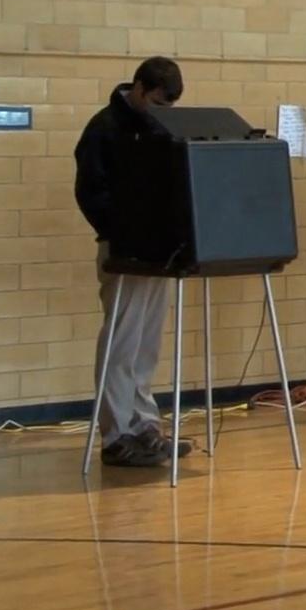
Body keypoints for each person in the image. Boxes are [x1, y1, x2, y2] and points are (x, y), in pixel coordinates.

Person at [73, 56, 196, 468]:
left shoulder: (160, 126)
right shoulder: (104, 127)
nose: (164, 113)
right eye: (158, 103)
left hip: (160, 249)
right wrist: (122, 229)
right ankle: (115, 433)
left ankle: (145, 423)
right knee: (122, 341)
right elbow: (89, 191)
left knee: (147, 343)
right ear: (139, 88)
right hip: (124, 248)